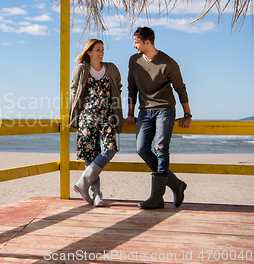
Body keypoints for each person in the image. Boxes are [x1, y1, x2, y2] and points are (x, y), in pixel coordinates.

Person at [126, 27, 191, 209]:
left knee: (161, 148)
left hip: (164, 109)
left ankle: (157, 197)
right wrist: (130, 114)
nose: (134, 46)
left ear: (148, 42)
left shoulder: (168, 63)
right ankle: (176, 184)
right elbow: (132, 88)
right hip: (144, 111)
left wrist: (187, 115)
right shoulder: (134, 60)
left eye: (136, 42)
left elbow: (180, 89)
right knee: (142, 148)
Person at [70, 38, 123, 207]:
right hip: (87, 116)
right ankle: (97, 194)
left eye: (102, 49)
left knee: (110, 150)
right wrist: (71, 116)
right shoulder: (81, 69)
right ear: (89, 52)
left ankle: (82, 183)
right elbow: (74, 93)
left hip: (108, 116)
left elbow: (118, 89)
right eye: (98, 49)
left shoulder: (111, 68)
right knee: (90, 155)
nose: (101, 52)